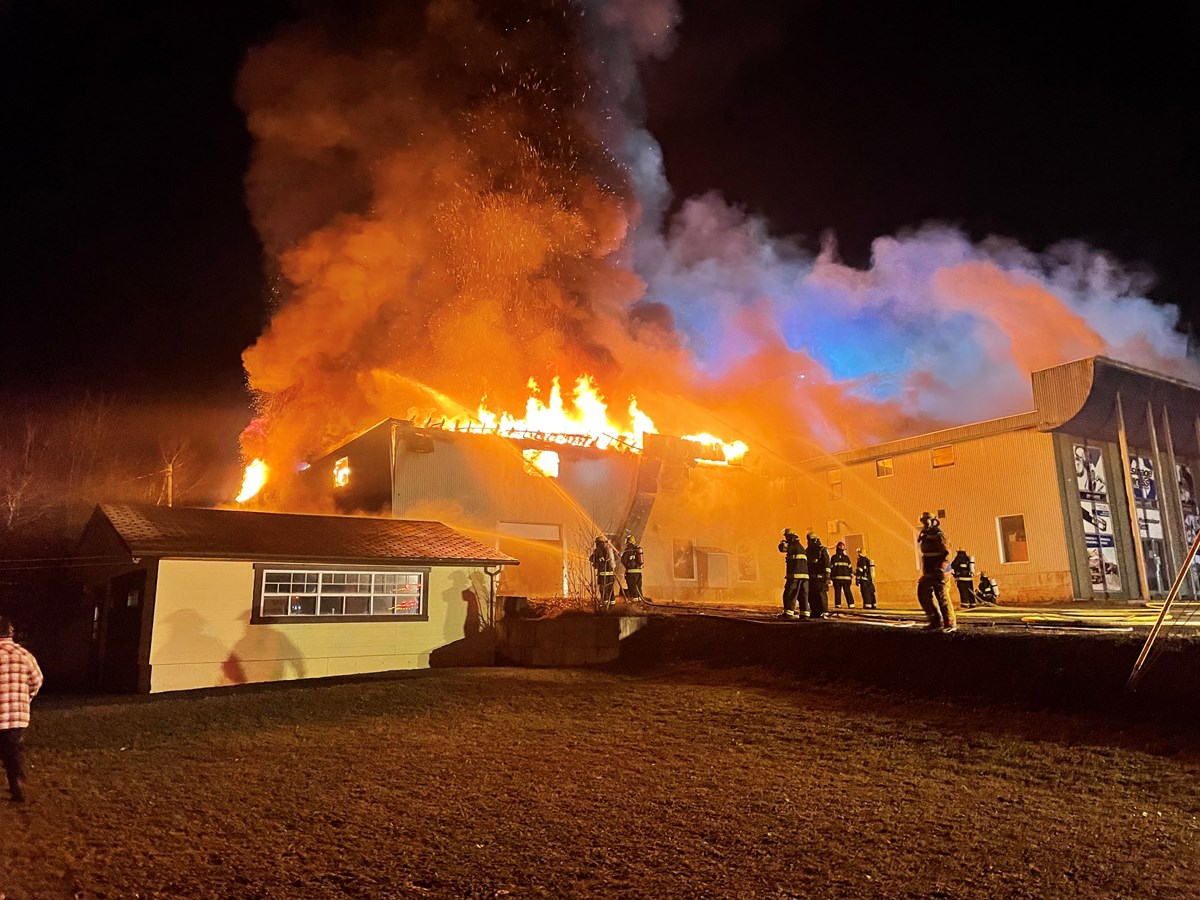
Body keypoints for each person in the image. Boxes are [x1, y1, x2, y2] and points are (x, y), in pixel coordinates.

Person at [0, 616, 43, 803]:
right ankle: (16, 781)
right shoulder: (25, 656)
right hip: (17, 716)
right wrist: (27, 697)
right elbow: (37, 680)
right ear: (11, 633)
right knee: (13, 750)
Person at [916, 512, 956, 631]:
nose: (925, 523)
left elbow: (947, 553)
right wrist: (924, 572)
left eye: (927, 521)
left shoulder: (939, 534)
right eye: (923, 521)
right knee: (923, 593)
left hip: (940, 572)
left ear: (933, 521)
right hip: (929, 571)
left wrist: (941, 569)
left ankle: (950, 624)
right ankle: (935, 621)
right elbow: (926, 555)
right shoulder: (925, 534)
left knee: (942, 596)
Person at [777, 528, 809, 619]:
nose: (786, 538)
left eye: (786, 536)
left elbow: (782, 548)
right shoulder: (800, 546)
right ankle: (805, 614)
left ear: (790, 536)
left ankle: (788, 613)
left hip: (794, 576)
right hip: (805, 577)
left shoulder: (793, 545)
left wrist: (782, 543)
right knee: (803, 595)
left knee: (789, 594)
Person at [805, 530, 830, 619]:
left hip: (820, 577)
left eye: (810, 540)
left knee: (821, 594)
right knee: (811, 595)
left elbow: (827, 564)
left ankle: (824, 611)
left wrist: (827, 577)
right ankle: (815, 611)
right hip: (811, 578)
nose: (808, 542)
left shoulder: (822, 550)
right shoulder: (807, 551)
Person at [590, 536, 617, 609]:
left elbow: (591, 558)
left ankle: (605, 606)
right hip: (611, 574)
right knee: (611, 590)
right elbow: (616, 558)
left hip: (602, 574)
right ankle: (613, 606)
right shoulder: (609, 549)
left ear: (598, 542)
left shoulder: (597, 550)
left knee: (603, 590)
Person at [830, 541, 854, 608]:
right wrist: (850, 576)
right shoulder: (846, 558)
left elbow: (832, 568)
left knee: (837, 592)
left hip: (837, 579)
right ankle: (851, 605)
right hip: (846, 579)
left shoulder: (834, 557)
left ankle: (838, 605)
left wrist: (831, 577)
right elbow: (850, 568)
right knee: (847, 591)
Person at [620, 535, 644, 601]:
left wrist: (622, 557)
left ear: (627, 542)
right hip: (638, 572)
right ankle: (640, 601)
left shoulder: (627, 551)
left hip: (631, 573)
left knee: (632, 587)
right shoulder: (637, 550)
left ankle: (635, 603)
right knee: (638, 587)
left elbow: (623, 561)